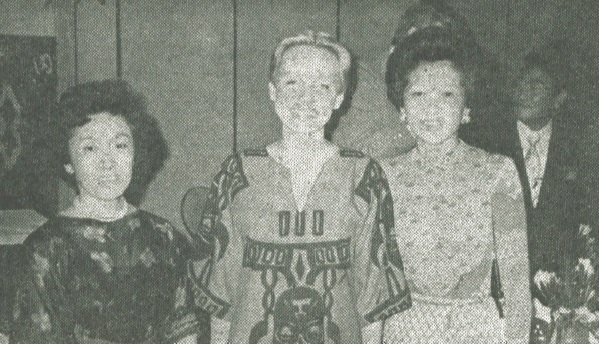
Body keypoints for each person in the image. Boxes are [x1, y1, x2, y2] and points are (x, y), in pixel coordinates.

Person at [191, 31, 411, 344]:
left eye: (322, 85)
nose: (305, 98)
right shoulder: (237, 175)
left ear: (338, 98)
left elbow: (372, 298)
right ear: (272, 90)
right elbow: (220, 293)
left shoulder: (362, 176)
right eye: (292, 82)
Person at [10, 79, 205, 343]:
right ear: (67, 161)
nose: (107, 162)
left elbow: (184, 332)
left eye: (120, 145)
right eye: (90, 148)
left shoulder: (165, 237)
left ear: (136, 153)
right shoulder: (44, 249)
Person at [381, 27, 531, 343]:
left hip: (477, 330)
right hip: (406, 331)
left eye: (447, 94)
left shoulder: (497, 172)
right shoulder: (384, 175)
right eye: (418, 94)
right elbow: (373, 285)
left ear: (466, 108)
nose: (431, 108)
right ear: (402, 109)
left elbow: (516, 282)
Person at [484, 51, 584, 341]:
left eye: (537, 84)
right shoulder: (488, 140)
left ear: (558, 98)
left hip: (556, 292)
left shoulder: (579, 149)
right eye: (520, 82)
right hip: (496, 287)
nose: (523, 91)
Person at [331, 0, 507, 158]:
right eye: (426, 48)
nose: (434, 60)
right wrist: (424, 126)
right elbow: (355, 154)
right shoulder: (358, 80)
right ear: (397, 46)